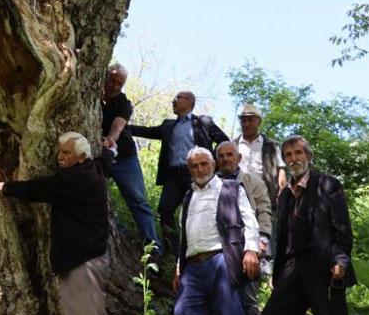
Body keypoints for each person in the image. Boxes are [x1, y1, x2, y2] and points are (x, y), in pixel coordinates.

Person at [0, 132, 115, 315]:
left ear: (80, 156)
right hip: (89, 260)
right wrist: (110, 149)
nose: (60, 157)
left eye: (67, 153)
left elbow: (38, 188)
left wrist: (2, 187)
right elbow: (106, 160)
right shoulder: (95, 168)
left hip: (82, 263)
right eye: (60, 151)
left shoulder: (75, 179)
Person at [257, 136, 357, 315]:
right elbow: (282, 237)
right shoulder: (285, 195)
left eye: (298, 153)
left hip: (323, 265)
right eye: (288, 155)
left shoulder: (327, 184)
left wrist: (341, 260)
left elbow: (342, 229)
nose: (293, 159)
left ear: (309, 156)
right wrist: (277, 272)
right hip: (292, 266)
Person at [172, 147, 259, 315]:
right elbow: (185, 235)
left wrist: (251, 249)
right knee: (183, 312)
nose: (199, 169)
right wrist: (179, 267)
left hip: (222, 260)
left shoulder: (230, 189)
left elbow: (249, 221)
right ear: (189, 169)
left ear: (213, 165)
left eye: (204, 164)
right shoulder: (188, 196)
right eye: (194, 166)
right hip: (193, 266)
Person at [128, 91, 229, 254]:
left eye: (177, 98)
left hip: (196, 175)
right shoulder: (168, 125)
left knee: (197, 212)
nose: (173, 101)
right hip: (174, 176)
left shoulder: (203, 122)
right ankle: (173, 253)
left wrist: (212, 165)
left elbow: (224, 142)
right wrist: (124, 127)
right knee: (165, 209)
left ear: (189, 101)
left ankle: (200, 250)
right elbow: (148, 131)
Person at [215, 141, 272, 315]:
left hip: (249, 246)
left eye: (229, 155)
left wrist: (262, 240)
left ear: (238, 158)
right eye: (221, 156)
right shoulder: (212, 183)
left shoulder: (252, 182)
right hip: (222, 250)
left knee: (249, 298)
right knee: (223, 298)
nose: (225, 159)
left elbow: (264, 212)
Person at [100, 64, 159, 247]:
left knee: (138, 200)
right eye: (112, 80)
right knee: (97, 196)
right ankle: (122, 233)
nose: (115, 86)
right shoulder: (90, 94)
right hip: (100, 157)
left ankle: (153, 245)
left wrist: (111, 140)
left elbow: (118, 126)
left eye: (120, 83)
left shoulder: (124, 104)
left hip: (125, 157)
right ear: (105, 76)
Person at [233, 103, 286, 211]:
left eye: (250, 120)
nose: (246, 124)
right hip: (238, 197)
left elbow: (281, 168)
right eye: (243, 120)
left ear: (259, 122)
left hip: (264, 197)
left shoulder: (271, 145)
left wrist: (281, 186)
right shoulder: (233, 145)